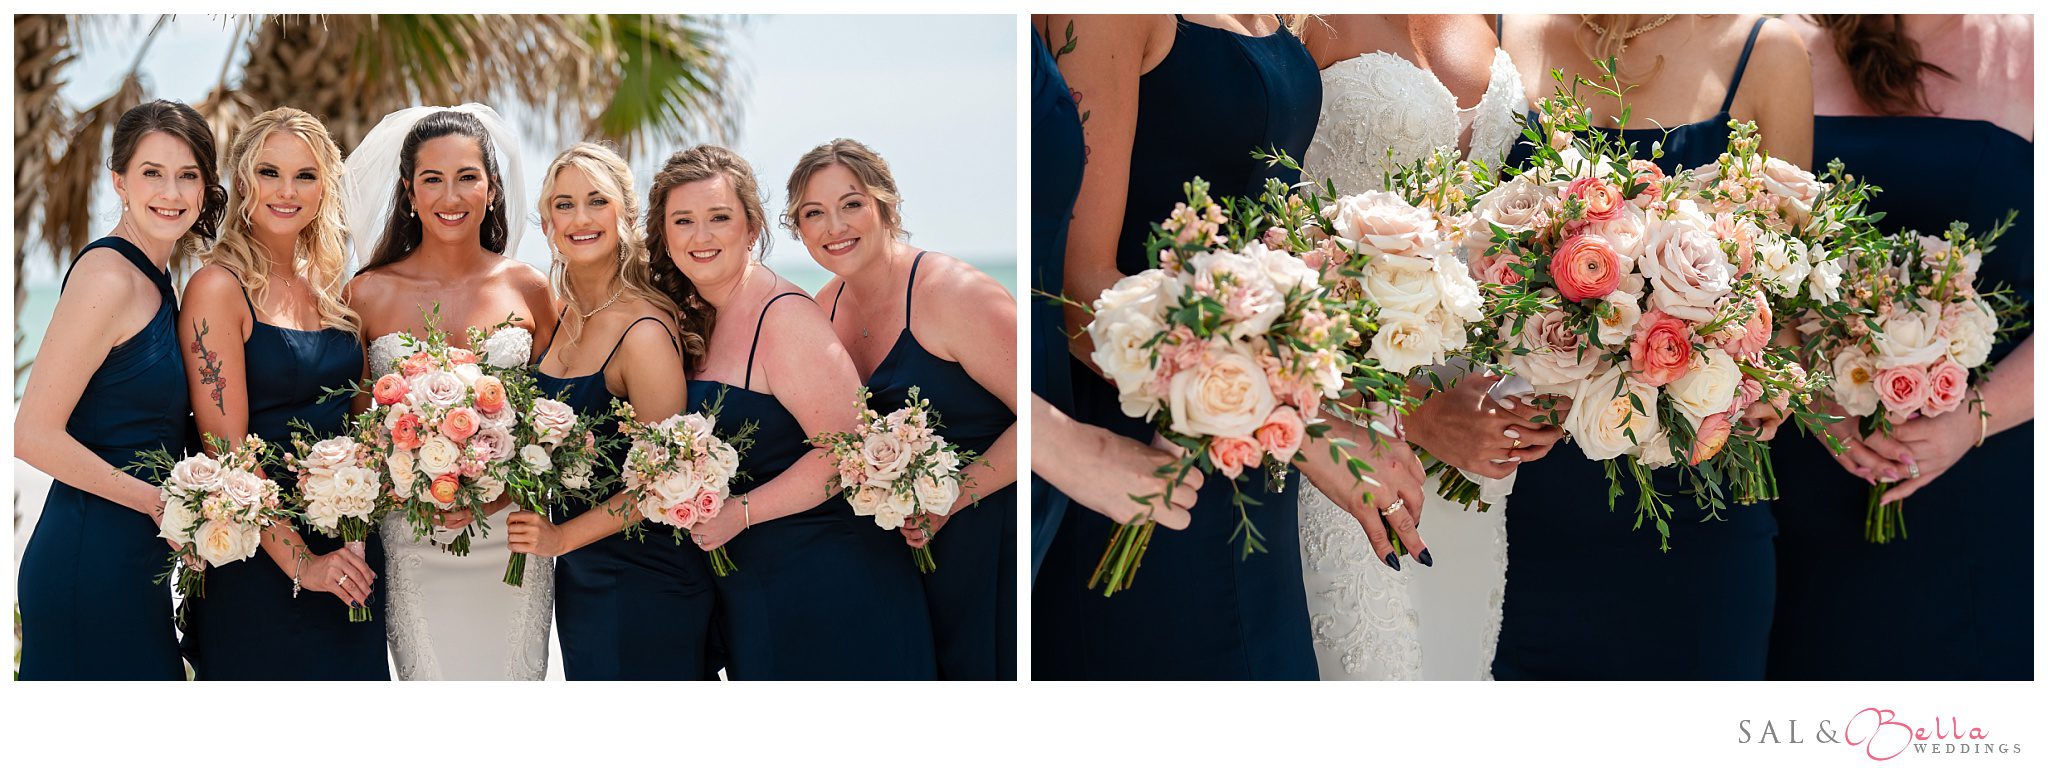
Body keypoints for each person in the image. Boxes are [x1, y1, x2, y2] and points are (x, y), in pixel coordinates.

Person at [1768, 14, 2033, 680]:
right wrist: (1814, 398)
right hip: (1801, 460)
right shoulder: (1777, 44)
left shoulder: (2030, 50)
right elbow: (1746, 259)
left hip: (1988, 471)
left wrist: (1970, 420)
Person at [343, 105, 559, 680]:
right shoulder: (367, 293)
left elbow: (554, 419)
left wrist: (498, 491)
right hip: (414, 538)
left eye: (467, 177)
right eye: (432, 179)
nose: (451, 196)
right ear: (409, 192)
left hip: (512, 539)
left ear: (492, 187)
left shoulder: (529, 287)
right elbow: (360, 434)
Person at [16, 99, 225, 679]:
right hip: (89, 558)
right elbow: (32, 435)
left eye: (188, 175)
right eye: (152, 173)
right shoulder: (107, 277)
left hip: (137, 560)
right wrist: (159, 504)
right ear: (119, 181)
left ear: (205, 187)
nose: (171, 192)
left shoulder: (157, 279)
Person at [177, 107, 384, 679]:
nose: (287, 191)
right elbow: (227, 452)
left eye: (305, 175)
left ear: (325, 188)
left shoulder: (334, 290)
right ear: (243, 181)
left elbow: (361, 426)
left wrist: (355, 537)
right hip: (260, 558)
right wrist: (304, 565)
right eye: (270, 172)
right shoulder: (217, 287)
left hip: (351, 556)